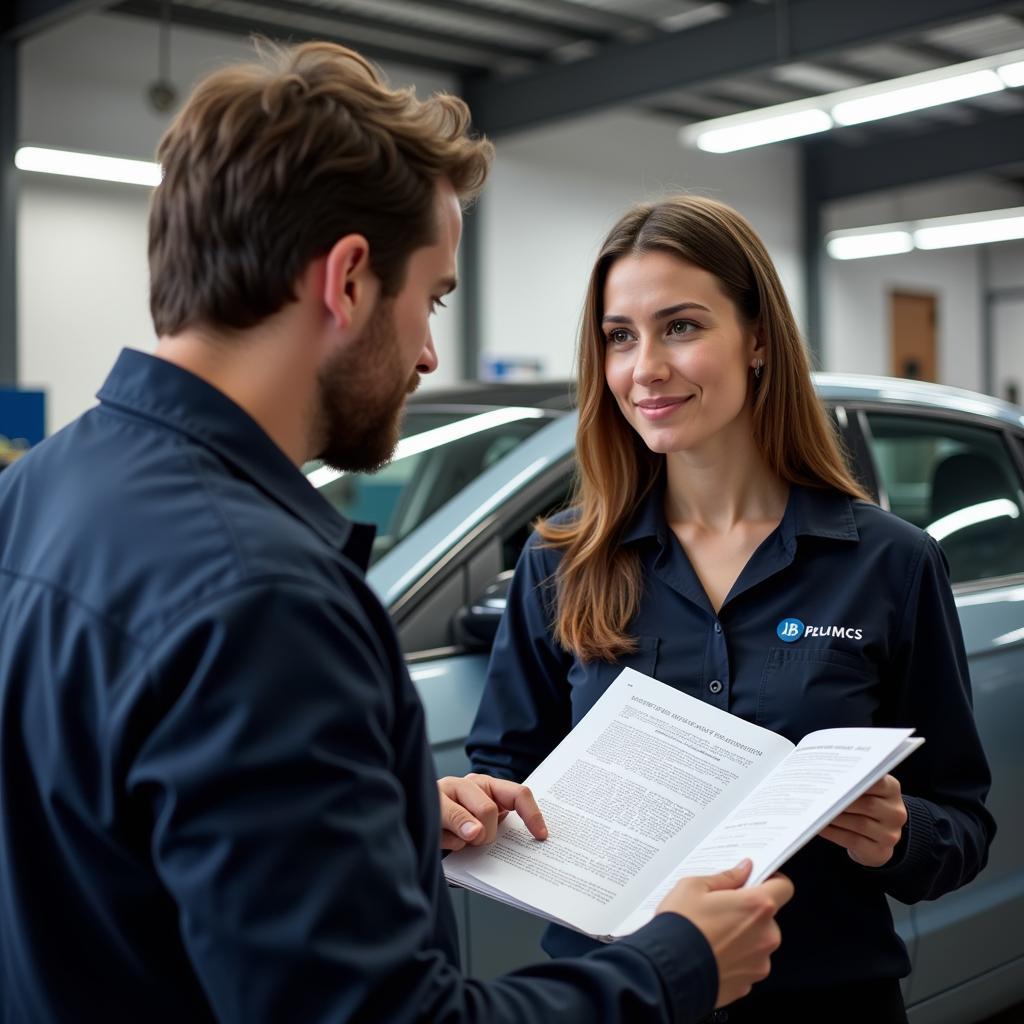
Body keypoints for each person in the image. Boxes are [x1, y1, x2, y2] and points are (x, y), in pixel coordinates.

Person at [0, 44, 794, 1024]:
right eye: (433, 298)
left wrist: (375, 814)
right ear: (346, 280)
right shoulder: (260, 593)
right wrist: (673, 964)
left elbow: (106, 830)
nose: (426, 350)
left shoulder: (38, 490)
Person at [466, 195, 996, 1023]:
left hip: (828, 1001)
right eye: (619, 336)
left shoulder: (890, 563)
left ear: (756, 339)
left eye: (680, 326)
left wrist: (902, 834)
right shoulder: (560, 563)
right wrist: (473, 811)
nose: (645, 368)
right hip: (627, 997)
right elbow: (505, 781)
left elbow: (962, 826)